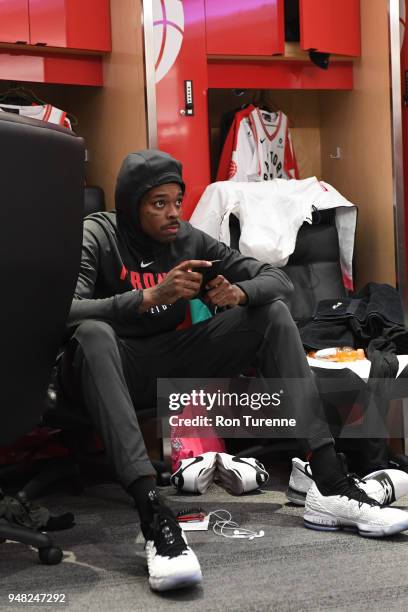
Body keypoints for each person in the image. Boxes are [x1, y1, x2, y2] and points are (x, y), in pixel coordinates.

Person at [60, 149, 408, 592]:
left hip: (165, 364)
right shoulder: (98, 234)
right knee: (93, 331)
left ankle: (330, 481)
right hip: (101, 366)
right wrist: (147, 298)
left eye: (177, 201)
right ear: (131, 204)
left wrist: (239, 293)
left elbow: (276, 279)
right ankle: (152, 511)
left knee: (272, 313)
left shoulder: (186, 240)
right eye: (158, 203)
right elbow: (62, 312)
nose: (172, 213)